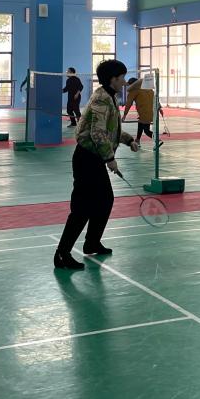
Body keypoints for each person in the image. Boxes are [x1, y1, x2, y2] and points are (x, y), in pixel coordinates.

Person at [53, 59, 139, 270]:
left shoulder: (110, 96)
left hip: (95, 157)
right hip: (87, 158)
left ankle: (92, 242)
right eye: (121, 78)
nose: (124, 82)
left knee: (105, 200)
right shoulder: (101, 99)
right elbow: (97, 132)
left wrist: (128, 140)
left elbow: (111, 129)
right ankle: (62, 254)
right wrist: (110, 158)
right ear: (112, 79)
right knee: (82, 208)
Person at [123, 75, 162, 147]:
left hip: (144, 112)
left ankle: (157, 140)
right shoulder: (149, 89)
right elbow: (156, 99)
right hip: (151, 112)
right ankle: (137, 140)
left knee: (146, 130)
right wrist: (160, 108)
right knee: (140, 123)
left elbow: (129, 103)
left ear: (132, 85)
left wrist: (125, 114)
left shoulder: (134, 91)